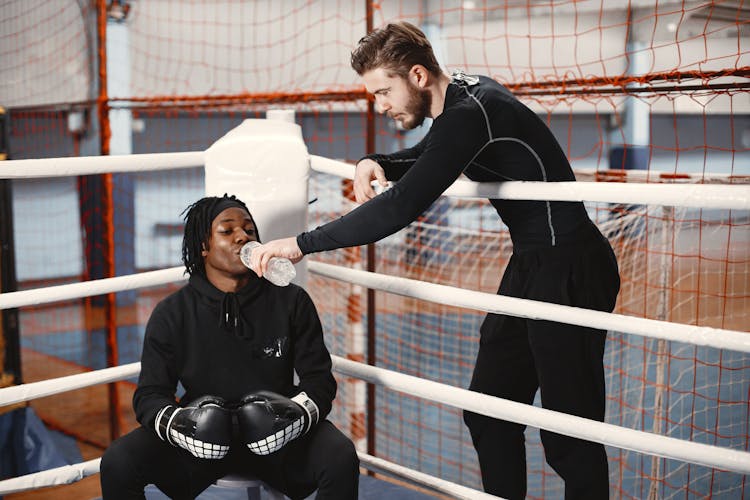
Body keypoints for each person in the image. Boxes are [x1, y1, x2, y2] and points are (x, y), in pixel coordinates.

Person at [249, 22, 620, 500]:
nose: (380, 105)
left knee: (569, 435)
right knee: (488, 412)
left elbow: (400, 207)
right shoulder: (462, 100)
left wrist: (300, 243)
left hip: (571, 267)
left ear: (419, 76)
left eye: (384, 91)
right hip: (532, 264)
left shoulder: (471, 114)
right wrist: (375, 159)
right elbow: (430, 155)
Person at [99, 194, 359, 499]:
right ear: (204, 247)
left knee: (340, 457)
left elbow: (319, 380)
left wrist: (297, 416)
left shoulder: (291, 300)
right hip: (203, 439)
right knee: (119, 461)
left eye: (249, 230)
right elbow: (149, 394)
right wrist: (180, 424)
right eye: (227, 230)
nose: (242, 236)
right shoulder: (173, 312)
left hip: (278, 434)